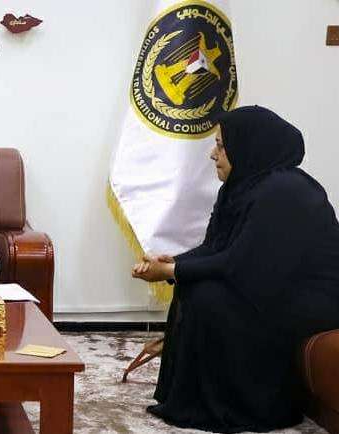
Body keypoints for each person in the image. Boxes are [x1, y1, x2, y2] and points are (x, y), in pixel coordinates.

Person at [131, 105, 339, 433]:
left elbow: (239, 263)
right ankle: (192, 400)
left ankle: (244, 409)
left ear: (248, 146)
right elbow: (216, 247)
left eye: (221, 145)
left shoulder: (284, 191)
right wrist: (174, 262)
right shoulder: (242, 186)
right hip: (268, 286)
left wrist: (172, 272)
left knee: (208, 296)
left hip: (309, 299)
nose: (213, 154)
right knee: (195, 287)